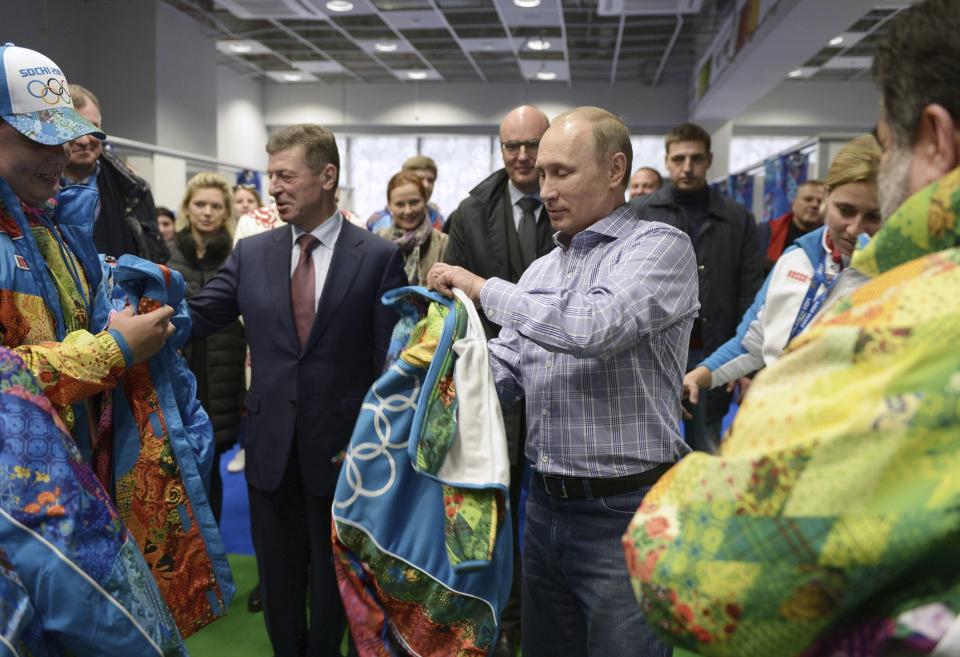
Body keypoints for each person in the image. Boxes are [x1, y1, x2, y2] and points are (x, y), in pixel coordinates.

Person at [624, 1, 960, 655]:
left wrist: (681, 489)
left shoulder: (912, 314)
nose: (862, 225)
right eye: (844, 210)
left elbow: (708, 580)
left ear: (936, 138)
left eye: (889, 150)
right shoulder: (800, 261)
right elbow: (755, 335)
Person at [428, 106, 698, 657]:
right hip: (544, 508)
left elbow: (592, 328)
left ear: (616, 169)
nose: (544, 188)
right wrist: (431, 378)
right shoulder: (542, 271)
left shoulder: (660, 248)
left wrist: (482, 289)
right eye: (542, 173)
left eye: (561, 172)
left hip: (627, 511)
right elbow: (506, 369)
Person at [185, 123, 407, 657]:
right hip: (268, 451)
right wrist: (144, 299)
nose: (275, 188)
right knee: (280, 587)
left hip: (344, 455)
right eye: (270, 177)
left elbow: (390, 367)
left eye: (286, 176)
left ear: (327, 176)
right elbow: (202, 313)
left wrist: (375, 445)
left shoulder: (377, 257)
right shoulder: (252, 252)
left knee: (336, 589)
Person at [441, 103, 552, 657]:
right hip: (494, 381)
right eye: (512, 146)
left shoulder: (578, 201)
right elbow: (456, 303)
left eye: (533, 144)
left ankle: (544, 617)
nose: (523, 156)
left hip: (563, 384)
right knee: (494, 501)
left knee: (555, 503)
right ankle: (502, 619)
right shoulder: (470, 213)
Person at [682, 135, 881, 406]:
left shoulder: (898, 276)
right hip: (776, 415)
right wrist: (698, 376)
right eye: (845, 210)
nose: (855, 229)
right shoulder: (797, 258)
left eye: (873, 216)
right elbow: (750, 344)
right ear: (827, 196)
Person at [631, 122, 764, 453]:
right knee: (648, 448)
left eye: (696, 159)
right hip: (653, 349)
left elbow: (749, 289)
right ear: (666, 160)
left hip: (715, 348)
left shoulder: (737, 218)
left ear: (709, 160)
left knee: (705, 448)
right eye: (678, 159)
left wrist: (746, 360)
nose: (687, 167)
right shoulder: (640, 213)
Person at [167, 172, 245, 524]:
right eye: (200, 204)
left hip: (223, 380)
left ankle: (212, 557)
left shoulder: (238, 256)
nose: (207, 212)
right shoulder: (166, 255)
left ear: (226, 211)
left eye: (216, 206)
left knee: (212, 470)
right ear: (187, 207)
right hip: (179, 376)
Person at [63, 84, 168, 263]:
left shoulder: (134, 191)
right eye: (74, 129)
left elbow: (154, 256)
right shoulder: (31, 191)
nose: (84, 140)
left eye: (92, 127)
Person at [376, 170, 448, 284]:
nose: (408, 211)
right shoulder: (377, 241)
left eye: (414, 202)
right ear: (389, 205)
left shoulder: (443, 243)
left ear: (425, 200)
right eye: (400, 204)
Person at [756, 179, 826, 273]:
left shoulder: (830, 239)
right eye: (808, 199)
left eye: (820, 201)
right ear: (794, 203)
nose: (814, 205)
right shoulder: (767, 232)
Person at [366, 155, 444, 232]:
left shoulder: (438, 219)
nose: (426, 185)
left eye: (430, 180)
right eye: (419, 179)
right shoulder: (378, 222)